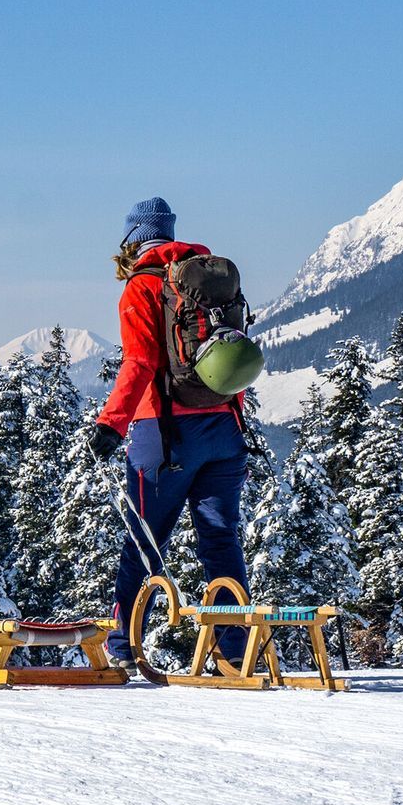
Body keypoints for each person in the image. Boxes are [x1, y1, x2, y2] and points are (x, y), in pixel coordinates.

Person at [88, 196, 251, 666]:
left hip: (163, 437)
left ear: (132, 240)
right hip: (224, 429)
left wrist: (110, 425)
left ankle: (122, 650)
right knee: (221, 542)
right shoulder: (210, 283)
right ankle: (235, 652)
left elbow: (141, 362)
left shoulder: (141, 287)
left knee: (144, 542)